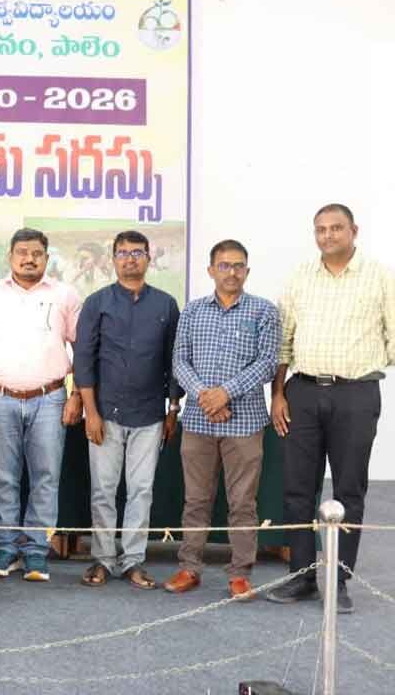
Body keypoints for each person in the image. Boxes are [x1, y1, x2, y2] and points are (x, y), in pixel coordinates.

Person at [267, 203, 395, 614]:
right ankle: (303, 575)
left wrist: (364, 367)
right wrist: (278, 394)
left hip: (356, 396)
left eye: (336, 228)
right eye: (320, 229)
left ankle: (338, 580)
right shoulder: (301, 277)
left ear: (353, 230)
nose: (328, 236)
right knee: (297, 491)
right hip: (302, 393)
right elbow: (283, 342)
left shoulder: (379, 277)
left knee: (349, 491)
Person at [0, 227, 83, 583]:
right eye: (22, 252)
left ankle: (35, 552)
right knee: (4, 477)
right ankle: (5, 548)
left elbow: (82, 349)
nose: (29, 258)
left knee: (46, 476)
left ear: (46, 258)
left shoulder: (65, 295)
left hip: (50, 399)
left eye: (36, 253)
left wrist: (76, 394)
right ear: (10, 257)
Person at [165, 239, 280, 599]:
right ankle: (189, 567)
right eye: (224, 265)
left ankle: (240, 573)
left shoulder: (263, 311)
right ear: (210, 270)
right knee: (196, 500)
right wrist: (205, 396)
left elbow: (267, 363)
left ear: (247, 270)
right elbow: (179, 361)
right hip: (199, 422)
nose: (232, 272)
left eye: (239, 265)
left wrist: (225, 393)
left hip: (244, 423)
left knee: (243, 502)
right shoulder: (193, 311)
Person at [73, 230, 182, 590]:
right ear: (113, 259)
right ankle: (103, 559)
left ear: (149, 258)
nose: (130, 258)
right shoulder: (97, 303)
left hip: (150, 413)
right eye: (122, 252)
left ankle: (134, 561)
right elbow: (84, 360)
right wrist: (90, 411)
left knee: (141, 490)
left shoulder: (165, 305)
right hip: (105, 413)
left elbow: (173, 361)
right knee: (103, 490)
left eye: (137, 252)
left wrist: (173, 409)